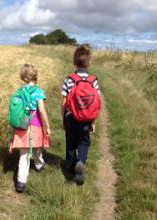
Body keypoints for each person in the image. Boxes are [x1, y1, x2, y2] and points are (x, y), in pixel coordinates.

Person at [61, 45, 100, 185]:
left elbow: (64, 102)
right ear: (89, 62)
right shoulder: (93, 80)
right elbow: (96, 102)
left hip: (71, 117)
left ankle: (70, 171)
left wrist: (63, 119)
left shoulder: (69, 79)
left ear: (74, 61)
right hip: (86, 118)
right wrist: (93, 121)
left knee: (71, 144)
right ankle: (81, 161)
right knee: (84, 142)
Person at [9, 64, 50, 192]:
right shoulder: (38, 91)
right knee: (37, 147)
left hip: (22, 126)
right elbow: (42, 111)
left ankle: (21, 181)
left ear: (23, 77)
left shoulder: (20, 91)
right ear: (36, 76)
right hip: (35, 125)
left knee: (24, 153)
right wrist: (47, 126)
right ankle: (38, 165)